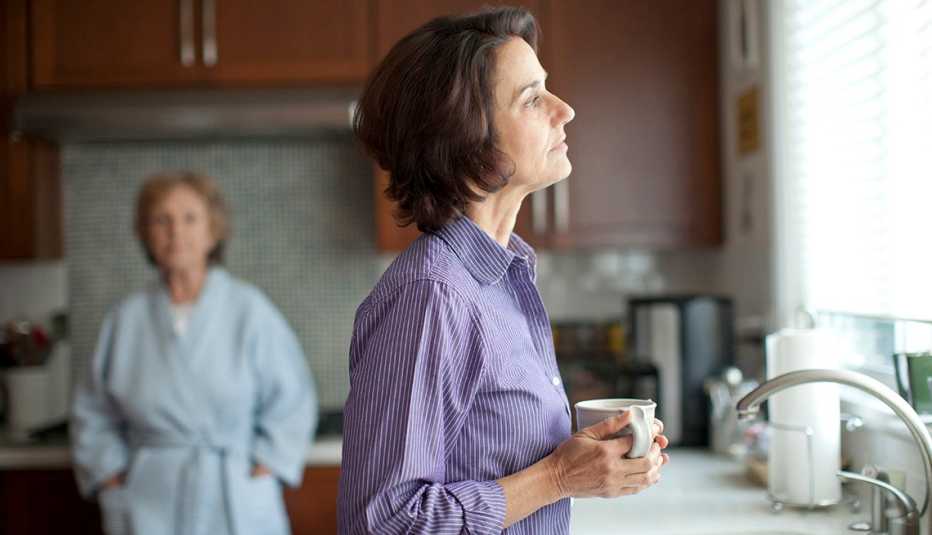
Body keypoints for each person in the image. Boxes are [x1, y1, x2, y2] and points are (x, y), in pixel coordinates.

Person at [339, 7, 669, 534]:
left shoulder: (501, 281)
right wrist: (559, 477)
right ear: (466, 137)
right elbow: (387, 522)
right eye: (532, 99)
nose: (566, 110)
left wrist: (591, 464)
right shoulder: (432, 297)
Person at [71, 171, 316, 535]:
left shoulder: (249, 310)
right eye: (161, 220)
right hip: (149, 499)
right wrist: (109, 476)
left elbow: (293, 399)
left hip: (234, 492)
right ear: (144, 233)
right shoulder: (125, 319)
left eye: (189, 218)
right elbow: (92, 411)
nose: (176, 232)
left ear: (213, 230)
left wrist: (268, 463)